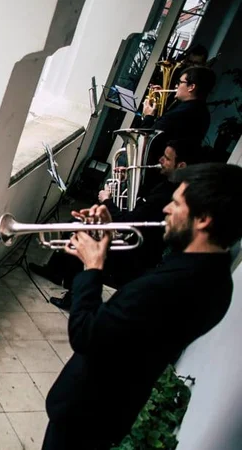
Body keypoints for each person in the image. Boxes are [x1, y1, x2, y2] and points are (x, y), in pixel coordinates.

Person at [42, 163, 242, 450]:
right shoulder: (216, 279)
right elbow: (136, 318)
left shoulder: (174, 285)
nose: (166, 210)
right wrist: (109, 234)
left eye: (176, 204)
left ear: (203, 219)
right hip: (114, 409)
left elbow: (86, 333)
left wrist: (92, 266)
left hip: (86, 414)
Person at [31, 140, 202, 310]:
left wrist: (107, 201)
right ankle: (56, 272)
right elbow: (140, 205)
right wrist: (124, 182)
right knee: (76, 223)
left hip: (135, 253)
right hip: (135, 237)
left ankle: (74, 296)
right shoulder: (168, 183)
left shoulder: (168, 195)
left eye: (166, 158)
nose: (160, 160)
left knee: (79, 233)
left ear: (181, 165)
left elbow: (127, 222)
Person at [139, 66, 215, 188]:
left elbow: (147, 138)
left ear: (191, 87)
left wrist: (148, 116)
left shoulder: (182, 112)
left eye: (180, 82)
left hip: (154, 170)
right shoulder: (202, 111)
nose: (176, 86)